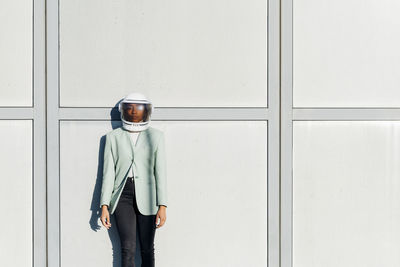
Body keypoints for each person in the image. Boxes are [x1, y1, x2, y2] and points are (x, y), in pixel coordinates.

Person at [100, 92, 168, 267]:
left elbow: (160, 172)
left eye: (138, 108)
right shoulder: (112, 138)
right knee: (127, 248)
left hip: (148, 195)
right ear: (124, 111)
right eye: (129, 108)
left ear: (146, 111)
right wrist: (104, 205)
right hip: (122, 195)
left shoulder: (156, 136)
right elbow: (108, 173)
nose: (134, 112)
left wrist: (163, 205)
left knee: (147, 248)